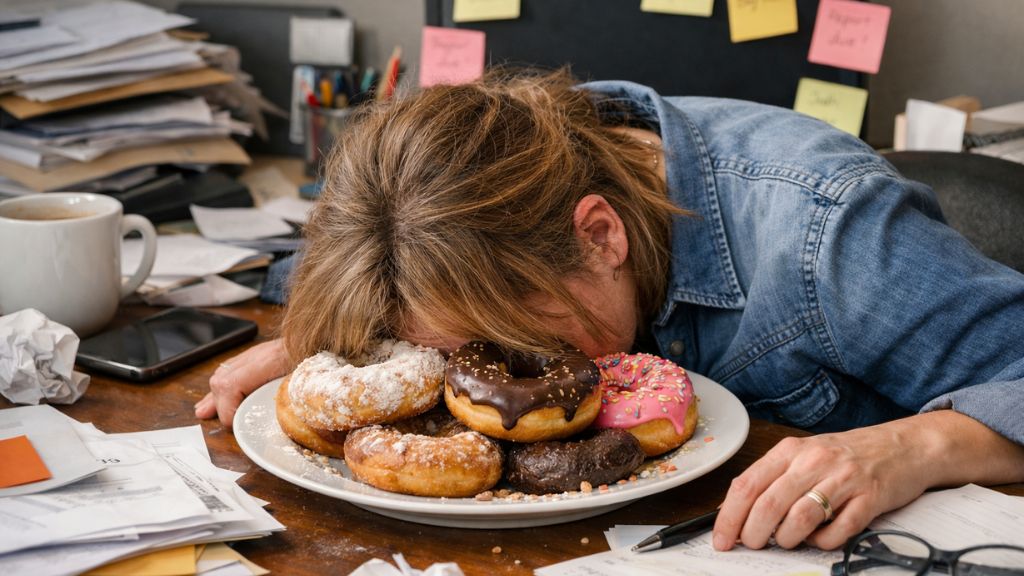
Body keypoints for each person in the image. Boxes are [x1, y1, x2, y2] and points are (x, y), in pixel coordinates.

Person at [195, 69, 1024, 552]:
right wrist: (349, 342)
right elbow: (359, 250)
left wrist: (915, 446)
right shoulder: (480, 181)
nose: (475, 370)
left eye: (504, 342)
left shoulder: (828, 234)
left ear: (600, 237)